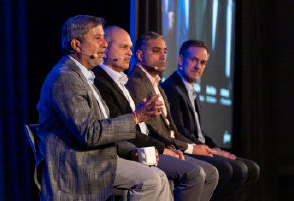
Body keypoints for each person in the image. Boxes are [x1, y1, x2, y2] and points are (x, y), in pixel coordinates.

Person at [36, 15, 173, 201]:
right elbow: (90, 134)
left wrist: (131, 151)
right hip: (78, 165)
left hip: (97, 157)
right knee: (152, 180)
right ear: (77, 45)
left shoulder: (85, 77)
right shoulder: (65, 78)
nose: (105, 44)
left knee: (160, 176)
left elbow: (104, 127)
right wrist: (135, 118)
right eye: (97, 38)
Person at [126, 32, 258, 201]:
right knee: (223, 170)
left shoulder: (157, 84)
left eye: (165, 52)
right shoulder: (139, 83)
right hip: (157, 149)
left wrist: (208, 148)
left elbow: (172, 130)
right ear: (139, 55)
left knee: (248, 168)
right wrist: (192, 148)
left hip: (174, 146)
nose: (163, 56)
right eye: (156, 51)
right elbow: (158, 131)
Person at [93, 26, 219, 201]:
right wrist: (163, 148)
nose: (129, 52)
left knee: (210, 172)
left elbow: (148, 128)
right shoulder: (120, 82)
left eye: (130, 47)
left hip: (147, 146)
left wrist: (167, 147)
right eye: (124, 47)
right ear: (105, 49)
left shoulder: (123, 81)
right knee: (194, 173)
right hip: (130, 150)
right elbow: (123, 129)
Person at [161, 40, 260, 200]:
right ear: (180, 60)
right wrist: (207, 149)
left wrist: (216, 148)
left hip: (201, 146)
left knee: (252, 169)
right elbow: (179, 130)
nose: (198, 66)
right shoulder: (171, 88)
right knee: (232, 170)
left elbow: (199, 131)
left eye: (202, 62)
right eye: (193, 60)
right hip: (187, 148)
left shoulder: (191, 90)